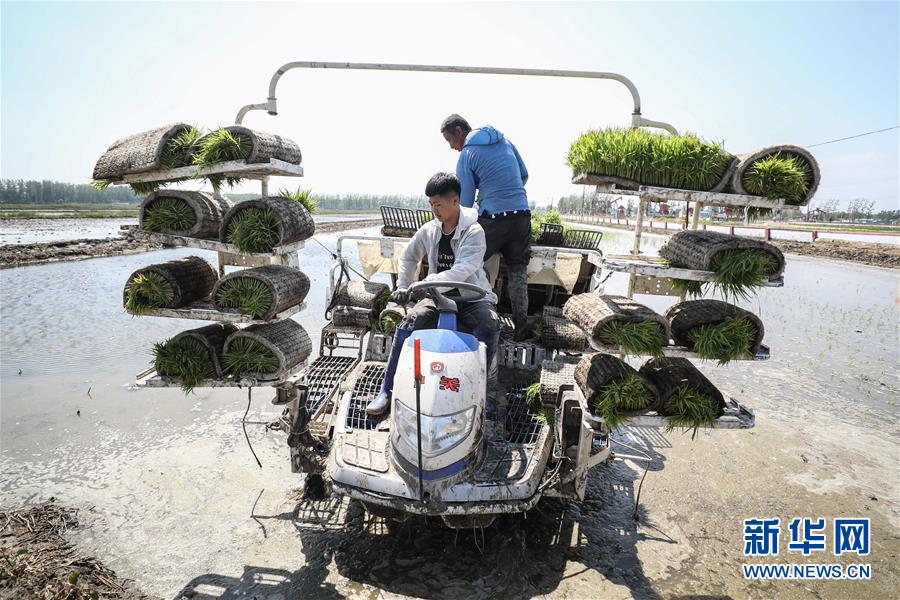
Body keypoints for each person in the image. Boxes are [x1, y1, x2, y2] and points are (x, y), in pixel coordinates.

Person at [366, 172, 500, 416]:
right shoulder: (429, 229)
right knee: (409, 323)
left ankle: (485, 392)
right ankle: (387, 389)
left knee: (489, 324)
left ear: (455, 201)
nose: (434, 210)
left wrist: (426, 283)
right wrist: (403, 286)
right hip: (436, 297)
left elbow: (462, 271)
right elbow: (408, 256)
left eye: (438, 204)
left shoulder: (474, 231)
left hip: (471, 297)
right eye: (431, 204)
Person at [440, 114, 532, 340]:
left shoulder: (467, 154)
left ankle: (466, 319)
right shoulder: (505, 142)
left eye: (450, 140)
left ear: (459, 131)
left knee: (465, 262)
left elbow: (464, 203)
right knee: (518, 272)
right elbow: (524, 175)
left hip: (494, 219)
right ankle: (522, 329)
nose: (452, 147)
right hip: (522, 216)